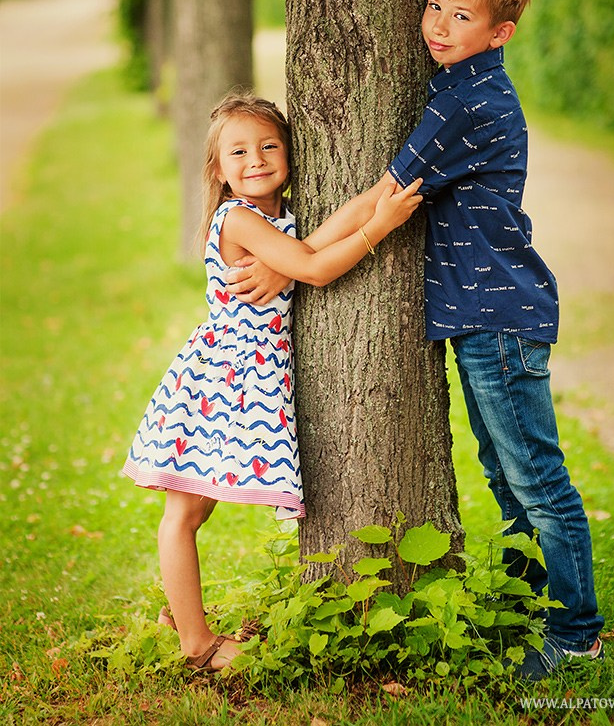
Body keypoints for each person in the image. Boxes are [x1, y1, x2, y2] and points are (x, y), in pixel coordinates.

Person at [226, 0, 605, 680]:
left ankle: (577, 629)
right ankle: (526, 611)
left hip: (499, 317)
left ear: (500, 33)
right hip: (479, 316)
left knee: (537, 480)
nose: (438, 25)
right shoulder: (455, 88)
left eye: (462, 17)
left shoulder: (467, 102)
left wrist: (284, 258)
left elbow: (381, 198)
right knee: (506, 474)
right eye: (435, 6)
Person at [123, 92, 422, 672]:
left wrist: (380, 193)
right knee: (184, 515)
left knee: (194, 513)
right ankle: (196, 644)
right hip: (222, 380)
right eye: (238, 151)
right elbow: (311, 268)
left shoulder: (273, 221)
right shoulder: (236, 217)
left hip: (240, 377)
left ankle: (179, 613)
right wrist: (379, 226)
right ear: (217, 169)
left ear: (289, 152)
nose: (255, 159)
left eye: (268, 146)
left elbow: (307, 245)